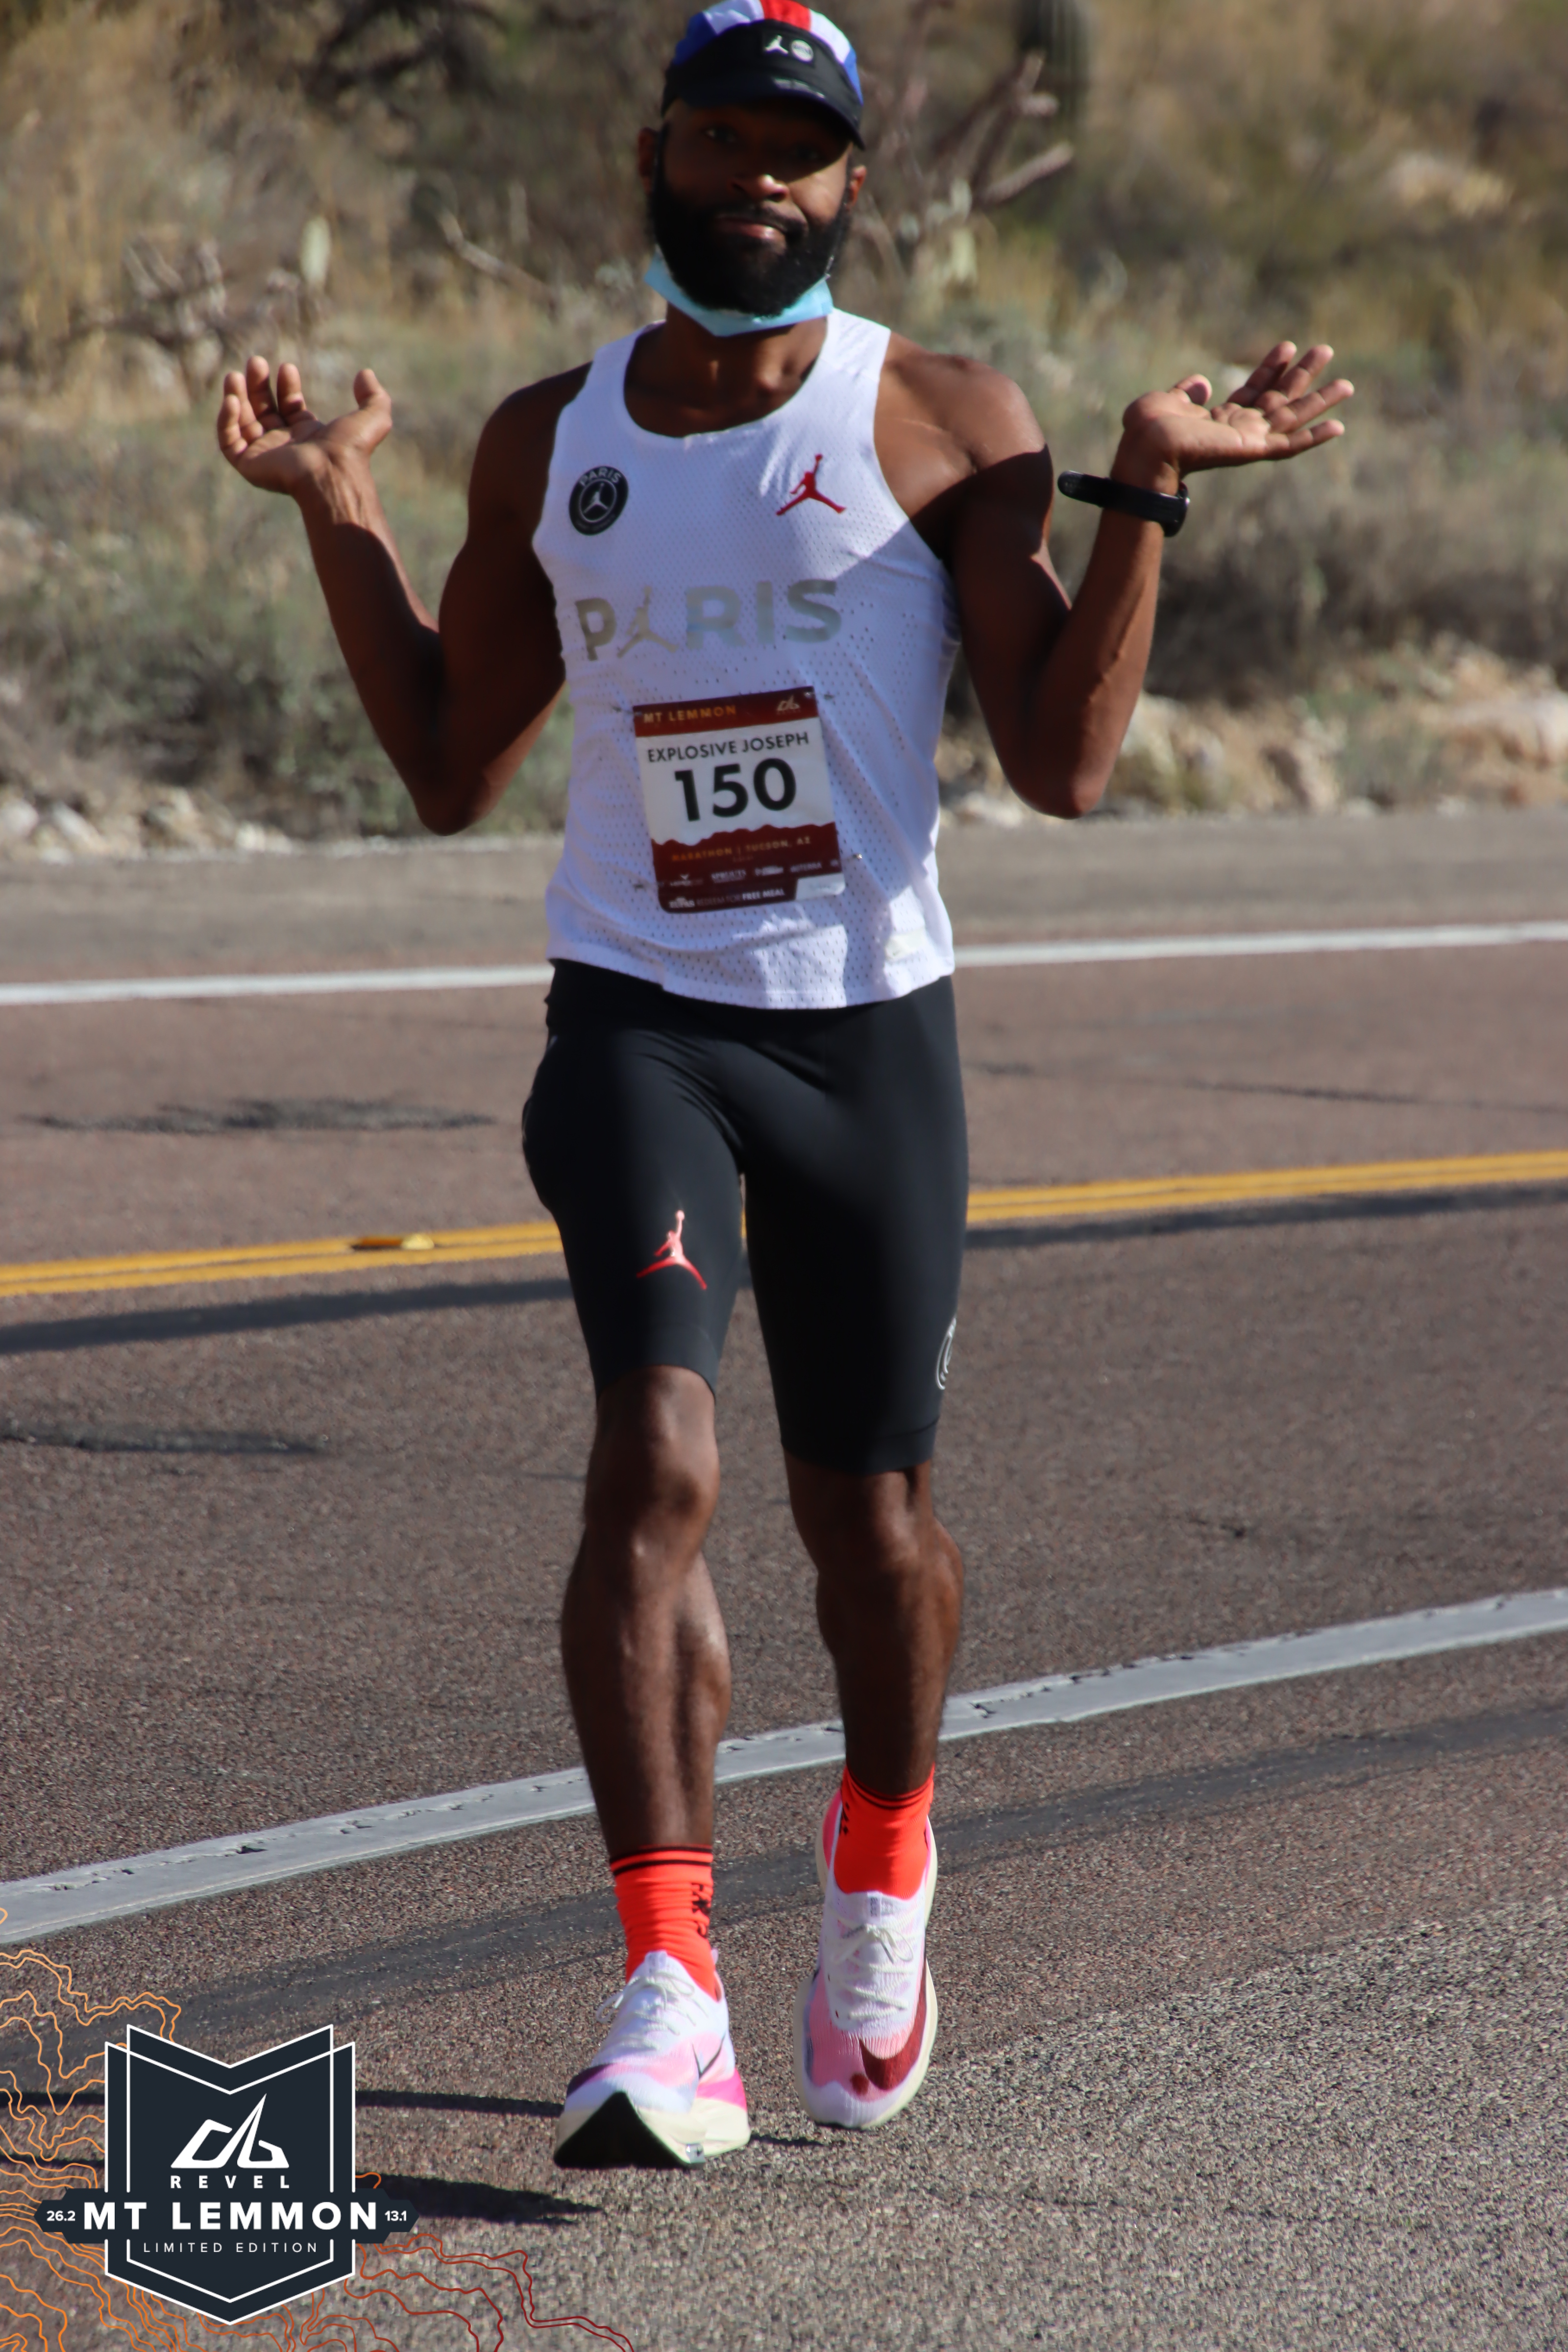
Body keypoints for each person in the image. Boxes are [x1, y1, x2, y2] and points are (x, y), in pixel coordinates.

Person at [218, 0, 1351, 2171]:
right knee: (653, 1462)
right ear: (651, 157)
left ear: (850, 186)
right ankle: (669, 1990)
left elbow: (1065, 764)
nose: (756, 177)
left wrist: (1140, 483)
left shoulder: (943, 420)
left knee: (872, 1531)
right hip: (637, 1016)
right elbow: (450, 761)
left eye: (797, 149)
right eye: (721, 136)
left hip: (863, 1034)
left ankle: (884, 1855)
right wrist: (337, 504)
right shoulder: (549, 442)